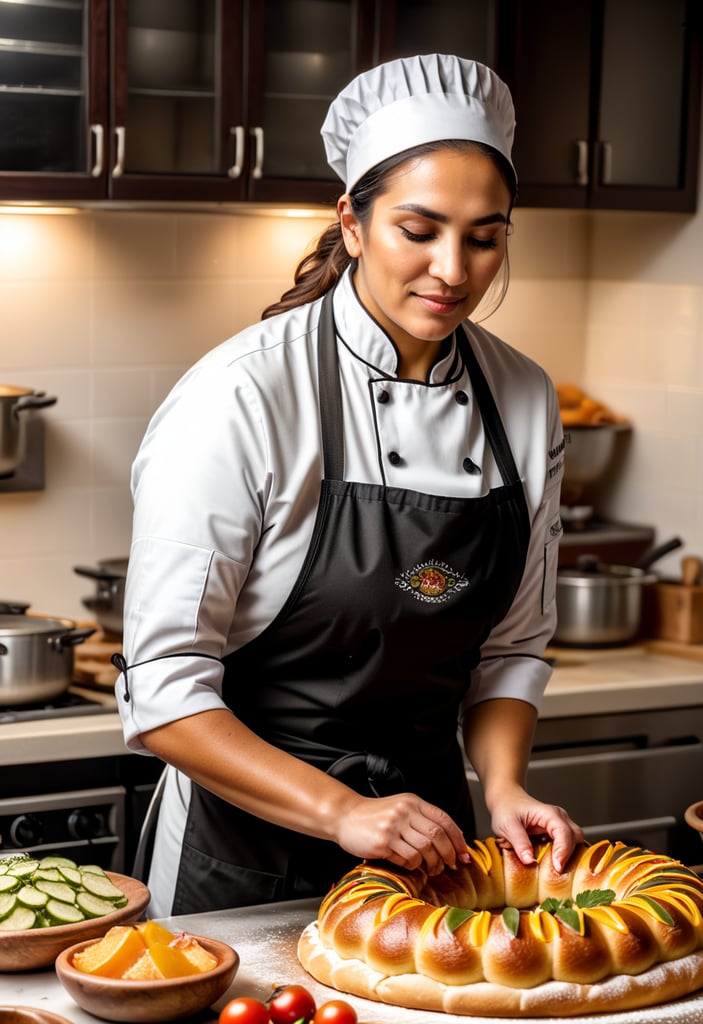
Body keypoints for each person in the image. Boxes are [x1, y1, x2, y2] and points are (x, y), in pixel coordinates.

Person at [116, 53, 583, 918]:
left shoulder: (522, 396)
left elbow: (510, 647)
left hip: (433, 856)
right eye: (419, 229)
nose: (453, 269)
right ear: (354, 223)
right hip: (242, 863)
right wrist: (343, 813)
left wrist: (505, 785)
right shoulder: (242, 394)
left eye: (485, 237)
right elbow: (164, 691)